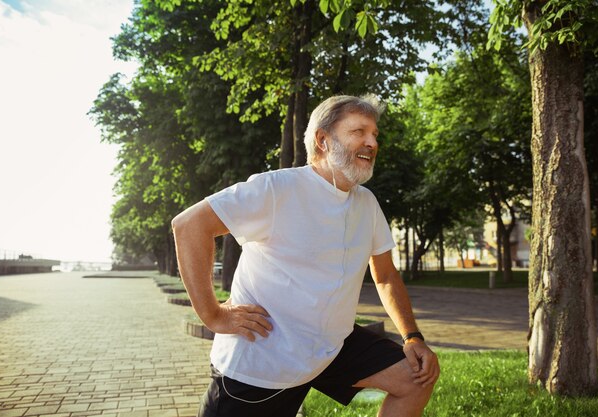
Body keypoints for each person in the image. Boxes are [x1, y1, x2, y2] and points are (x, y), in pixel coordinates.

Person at [172, 94, 439, 417]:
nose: (371, 142)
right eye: (359, 132)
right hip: (263, 360)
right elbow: (189, 225)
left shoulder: (366, 203)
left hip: (331, 348)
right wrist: (213, 315)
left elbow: (384, 275)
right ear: (323, 140)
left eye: (374, 134)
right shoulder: (277, 189)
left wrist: (412, 336)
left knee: (416, 378)